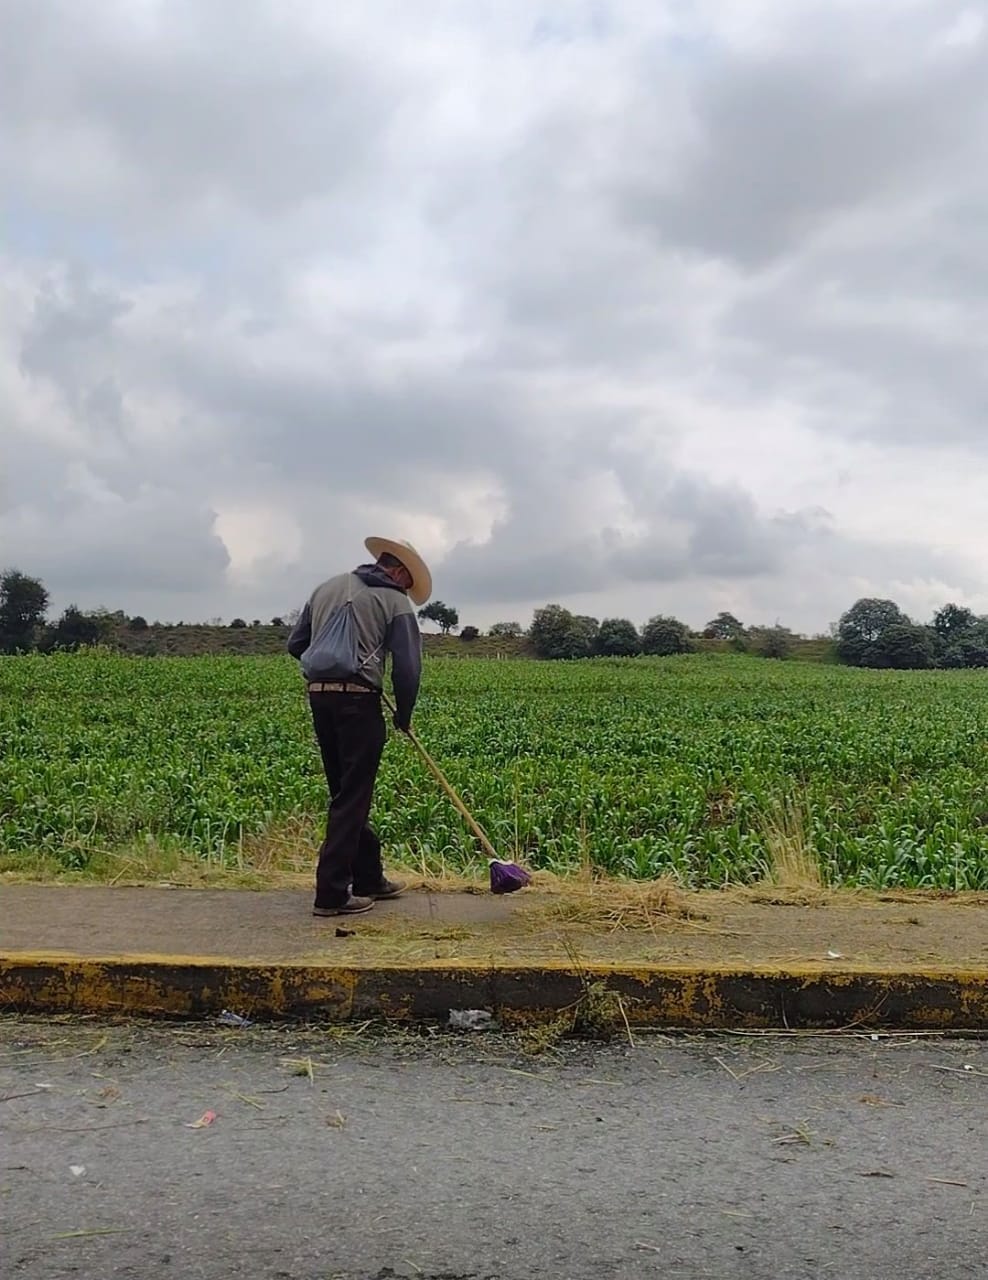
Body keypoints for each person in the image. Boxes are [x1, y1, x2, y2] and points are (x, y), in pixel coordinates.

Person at [287, 537, 432, 916]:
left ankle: (369, 877)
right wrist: (404, 713)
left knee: (346, 792)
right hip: (359, 702)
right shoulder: (395, 601)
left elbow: (295, 644)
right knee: (354, 795)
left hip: (320, 697)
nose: (406, 589)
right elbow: (408, 666)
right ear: (399, 571)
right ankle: (332, 893)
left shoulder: (326, 588)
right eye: (406, 581)